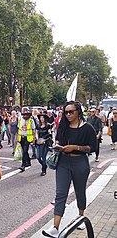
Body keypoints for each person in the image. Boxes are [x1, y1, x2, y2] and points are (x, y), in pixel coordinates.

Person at [42, 101, 97, 238]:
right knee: (60, 194)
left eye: (71, 112)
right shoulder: (63, 126)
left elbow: (92, 147)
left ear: (78, 111)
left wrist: (75, 147)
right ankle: (55, 227)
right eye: (66, 112)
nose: (68, 115)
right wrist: (58, 145)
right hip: (63, 162)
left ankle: (80, 217)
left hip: (80, 162)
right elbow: (59, 140)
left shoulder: (87, 128)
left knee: (80, 191)